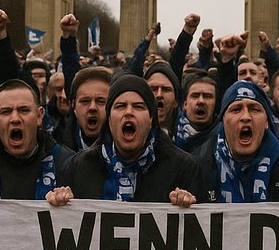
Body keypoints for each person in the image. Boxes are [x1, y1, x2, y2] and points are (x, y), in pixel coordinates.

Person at [54, 74, 201, 204]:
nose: (129, 112)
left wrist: (186, 204)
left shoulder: (184, 169)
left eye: (138, 107)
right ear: (109, 119)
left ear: (151, 119)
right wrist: (58, 202)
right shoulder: (77, 168)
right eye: (120, 106)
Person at [194, 81, 279, 202]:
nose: (246, 117)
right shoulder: (196, 169)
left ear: (267, 122)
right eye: (236, 109)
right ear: (223, 121)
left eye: (254, 109)